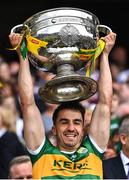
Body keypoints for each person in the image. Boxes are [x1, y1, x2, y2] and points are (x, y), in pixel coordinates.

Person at [9, 31, 116, 179]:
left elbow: (105, 102)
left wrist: (104, 55)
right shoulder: (41, 152)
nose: (71, 128)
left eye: (77, 122)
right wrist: (23, 55)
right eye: (64, 122)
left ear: (83, 128)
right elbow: (27, 104)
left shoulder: (94, 150)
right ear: (54, 129)